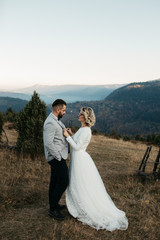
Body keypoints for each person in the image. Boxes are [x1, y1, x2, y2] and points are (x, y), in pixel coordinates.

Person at [63, 107, 128, 231]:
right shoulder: (82, 128)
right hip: (77, 159)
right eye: (80, 113)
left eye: (81, 114)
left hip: (80, 159)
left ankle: (85, 208)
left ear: (86, 117)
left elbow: (76, 147)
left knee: (81, 184)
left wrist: (67, 137)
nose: (79, 115)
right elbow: (77, 140)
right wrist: (71, 134)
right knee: (77, 183)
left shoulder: (87, 130)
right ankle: (78, 206)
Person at [43, 99, 69, 220]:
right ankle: (53, 209)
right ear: (58, 110)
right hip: (56, 157)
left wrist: (66, 132)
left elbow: (57, 137)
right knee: (64, 181)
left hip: (58, 156)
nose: (64, 113)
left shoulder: (56, 120)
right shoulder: (50, 123)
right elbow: (48, 143)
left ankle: (54, 205)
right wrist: (58, 156)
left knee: (54, 181)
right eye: (63, 110)